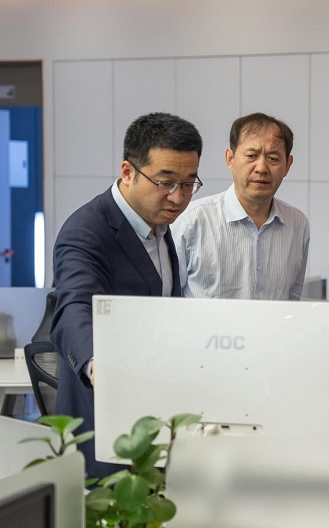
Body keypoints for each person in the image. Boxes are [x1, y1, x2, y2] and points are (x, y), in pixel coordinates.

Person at [51, 112, 203, 478]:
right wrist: (97, 362)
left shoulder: (159, 225)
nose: (178, 197)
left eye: (188, 184)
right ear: (128, 171)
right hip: (104, 423)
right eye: (165, 182)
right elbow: (73, 306)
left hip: (155, 417)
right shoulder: (87, 231)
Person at [172, 113, 309, 300]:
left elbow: (292, 299)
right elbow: (169, 299)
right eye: (251, 156)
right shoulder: (192, 220)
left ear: (288, 165)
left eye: (273, 158)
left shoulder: (298, 224)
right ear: (230, 159)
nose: (261, 168)